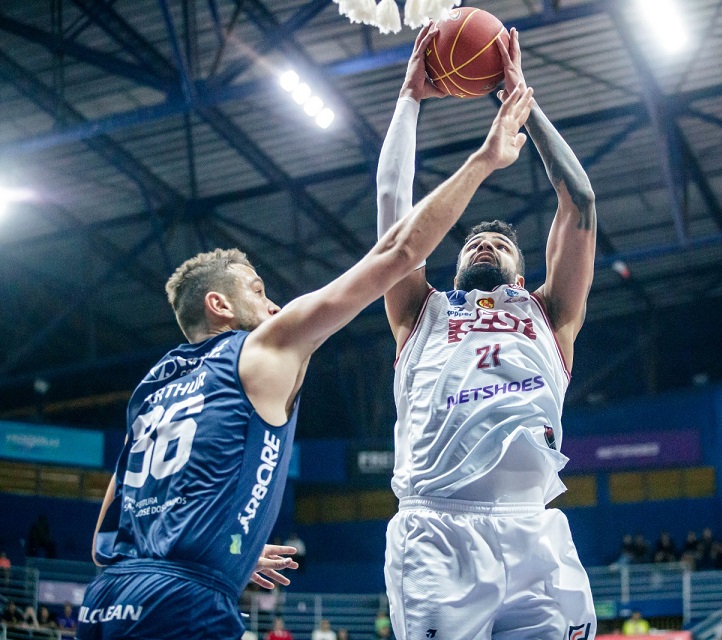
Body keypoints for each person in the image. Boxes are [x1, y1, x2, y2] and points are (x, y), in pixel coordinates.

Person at [75, 43, 536, 640]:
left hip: (104, 602)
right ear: (219, 306)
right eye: (258, 290)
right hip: (183, 604)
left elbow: (100, 542)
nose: (271, 303)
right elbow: (399, 252)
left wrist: (224, 551)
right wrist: (483, 159)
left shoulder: (151, 388)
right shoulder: (264, 346)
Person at [376, 24, 596, 640]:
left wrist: (520, 101)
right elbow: (394, 206)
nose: (484, 244)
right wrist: (408, 101)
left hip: (535, 530)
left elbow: (579, 198)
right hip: (438, 531)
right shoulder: (421, 311)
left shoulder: (549, 316)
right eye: (473, 242)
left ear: (522, 274)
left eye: (499, 243)